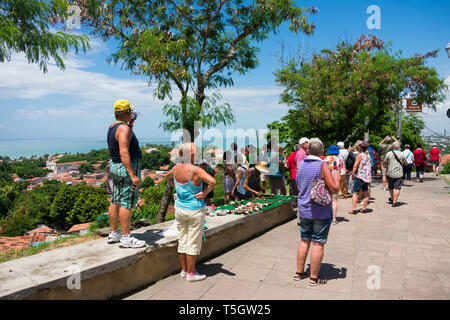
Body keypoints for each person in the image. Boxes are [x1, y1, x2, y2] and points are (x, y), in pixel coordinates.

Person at [165, 142, 216, 282]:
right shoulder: (196, 170)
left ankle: (184, 270)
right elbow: (212, 181)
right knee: (193, 242)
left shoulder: (176, 168)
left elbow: (167, 177)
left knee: (182, 240)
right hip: (194, 210)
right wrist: (204, 193)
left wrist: (177, 188)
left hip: (180, 209)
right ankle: (191, 274)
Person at [294, 138, 339, 286]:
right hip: (320, 210)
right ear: (321, 151)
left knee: (304, 239)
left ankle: (299, 273)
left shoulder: (300, 165)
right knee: (318, 243)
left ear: (308, 150)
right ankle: (313, 278)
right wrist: (336, 177)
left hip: (304, 208)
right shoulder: (322, 165)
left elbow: (299, 185)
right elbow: (334, 189)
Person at [107, 99, 146, 248]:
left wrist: (131, 125)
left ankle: (114, 233)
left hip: (115, 166)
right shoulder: (123, 129)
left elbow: (121, 143)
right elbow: (124, 151)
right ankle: (126, 237)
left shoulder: (114, 126)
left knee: (115, 199)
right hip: (126, 167)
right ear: (126, 112)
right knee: (127, 202)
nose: (131, 113)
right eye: (130, 111)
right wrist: (133, 175)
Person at [324, 145, 346, 224]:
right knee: (334, 200)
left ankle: (326, 217)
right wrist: (344, 185)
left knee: (326, 199)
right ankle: (334, 219)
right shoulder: (340, 160)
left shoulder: (326, 159)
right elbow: (343, 173)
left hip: (326, 181)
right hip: (336, 182)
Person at [349, 142, 371, 214]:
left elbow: (355, 166)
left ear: (361, 148)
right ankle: (364, 208)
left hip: (360, 176)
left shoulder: (360, 155)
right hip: (366, 177)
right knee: (365, 193)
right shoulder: (368, 156)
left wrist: (353, 174)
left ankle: (354, 209)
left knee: (355, 192)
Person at [384, 141, 408, 207]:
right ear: (399, 147)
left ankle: (392, 198)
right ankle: (394, 202)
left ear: (393, 146)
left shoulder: (388, 153)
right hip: (399, 173)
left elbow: (385, 162)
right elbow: (406, 163)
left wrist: (387, 166)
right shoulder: (402, 154)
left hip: (390, 173)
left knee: (390, 187)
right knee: (397, 188)